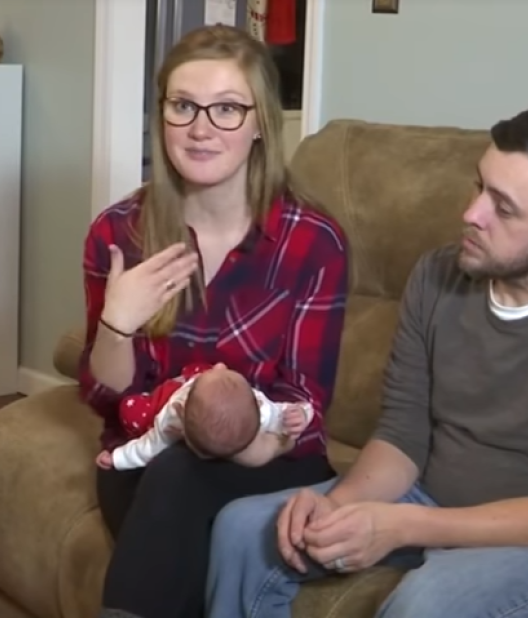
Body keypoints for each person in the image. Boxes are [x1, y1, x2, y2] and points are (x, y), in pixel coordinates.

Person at [205, 104, 528, 618]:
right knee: (243, 529)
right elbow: (402, 433)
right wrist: (338, 506)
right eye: (479, 187)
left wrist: (399, 527)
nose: (472, 213)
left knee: (429, 600)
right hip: (436, 496)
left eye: (503, 207)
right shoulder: (437, 275)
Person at [77, 24, 349, 618]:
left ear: (260, 123)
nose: (201, 129)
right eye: (183, 106)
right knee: (172, 477)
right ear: (162, 116)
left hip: (272, 454)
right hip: (147, 455)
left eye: (227, 109)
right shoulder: (118, 232)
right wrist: (117, 326)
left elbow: (304, 408)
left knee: (181, 479)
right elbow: (106, 400)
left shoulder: (312, 242)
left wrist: (236, 441)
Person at [95, 362, 313, 470]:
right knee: (204, 371)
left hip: (166, 396)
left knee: (135, 412)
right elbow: (288, 413)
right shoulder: (262, 410)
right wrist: (302, 412)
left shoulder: (171, 419)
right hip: (199, 384)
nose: (220, 365)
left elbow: (146, 448)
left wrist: (118, 458)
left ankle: (150, 400)